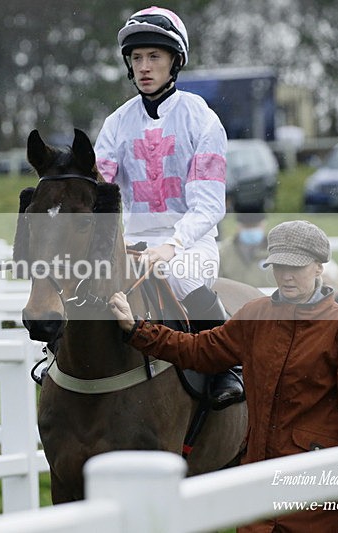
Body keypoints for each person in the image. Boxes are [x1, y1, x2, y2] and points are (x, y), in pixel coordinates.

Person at [109, 220, 338, 532]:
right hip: (258, 485)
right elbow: (200, 350)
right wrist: (138, 330)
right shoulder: (255, 315)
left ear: (319, 268)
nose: (286, 275)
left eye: (297, 267)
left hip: (320, 492)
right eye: (279, 266)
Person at [94, 6, 243, 407]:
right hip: (132, 245)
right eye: (137, 58)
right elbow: (100, 192)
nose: (144, 67)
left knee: (182, 276)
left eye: (154, 57)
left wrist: (171, 246)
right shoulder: (115, 124)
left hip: (190, 244)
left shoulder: (203, 120)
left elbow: (209, 205)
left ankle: (227, 368)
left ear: (175, 61)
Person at [218, 211, 271, 288]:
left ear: (263, 224)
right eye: (247, 226)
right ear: (238, 226)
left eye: (255, 226)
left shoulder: (277, 250)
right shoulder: (224, 252)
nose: (251, 231)